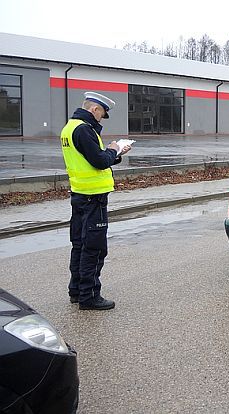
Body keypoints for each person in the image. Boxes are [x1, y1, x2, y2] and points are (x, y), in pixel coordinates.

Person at [60, 92, 131, 310]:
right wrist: (113, 149)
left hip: (80, 194)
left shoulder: (69, 128)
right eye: (101, 114)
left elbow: (90, 160)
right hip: (93, 198)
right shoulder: (84, 129)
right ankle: (89, 296)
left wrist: (115, 154)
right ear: (94, 110)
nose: (101, 119)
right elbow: (100, 161)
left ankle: (76, 290)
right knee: (94, 248)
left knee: (80, 245)